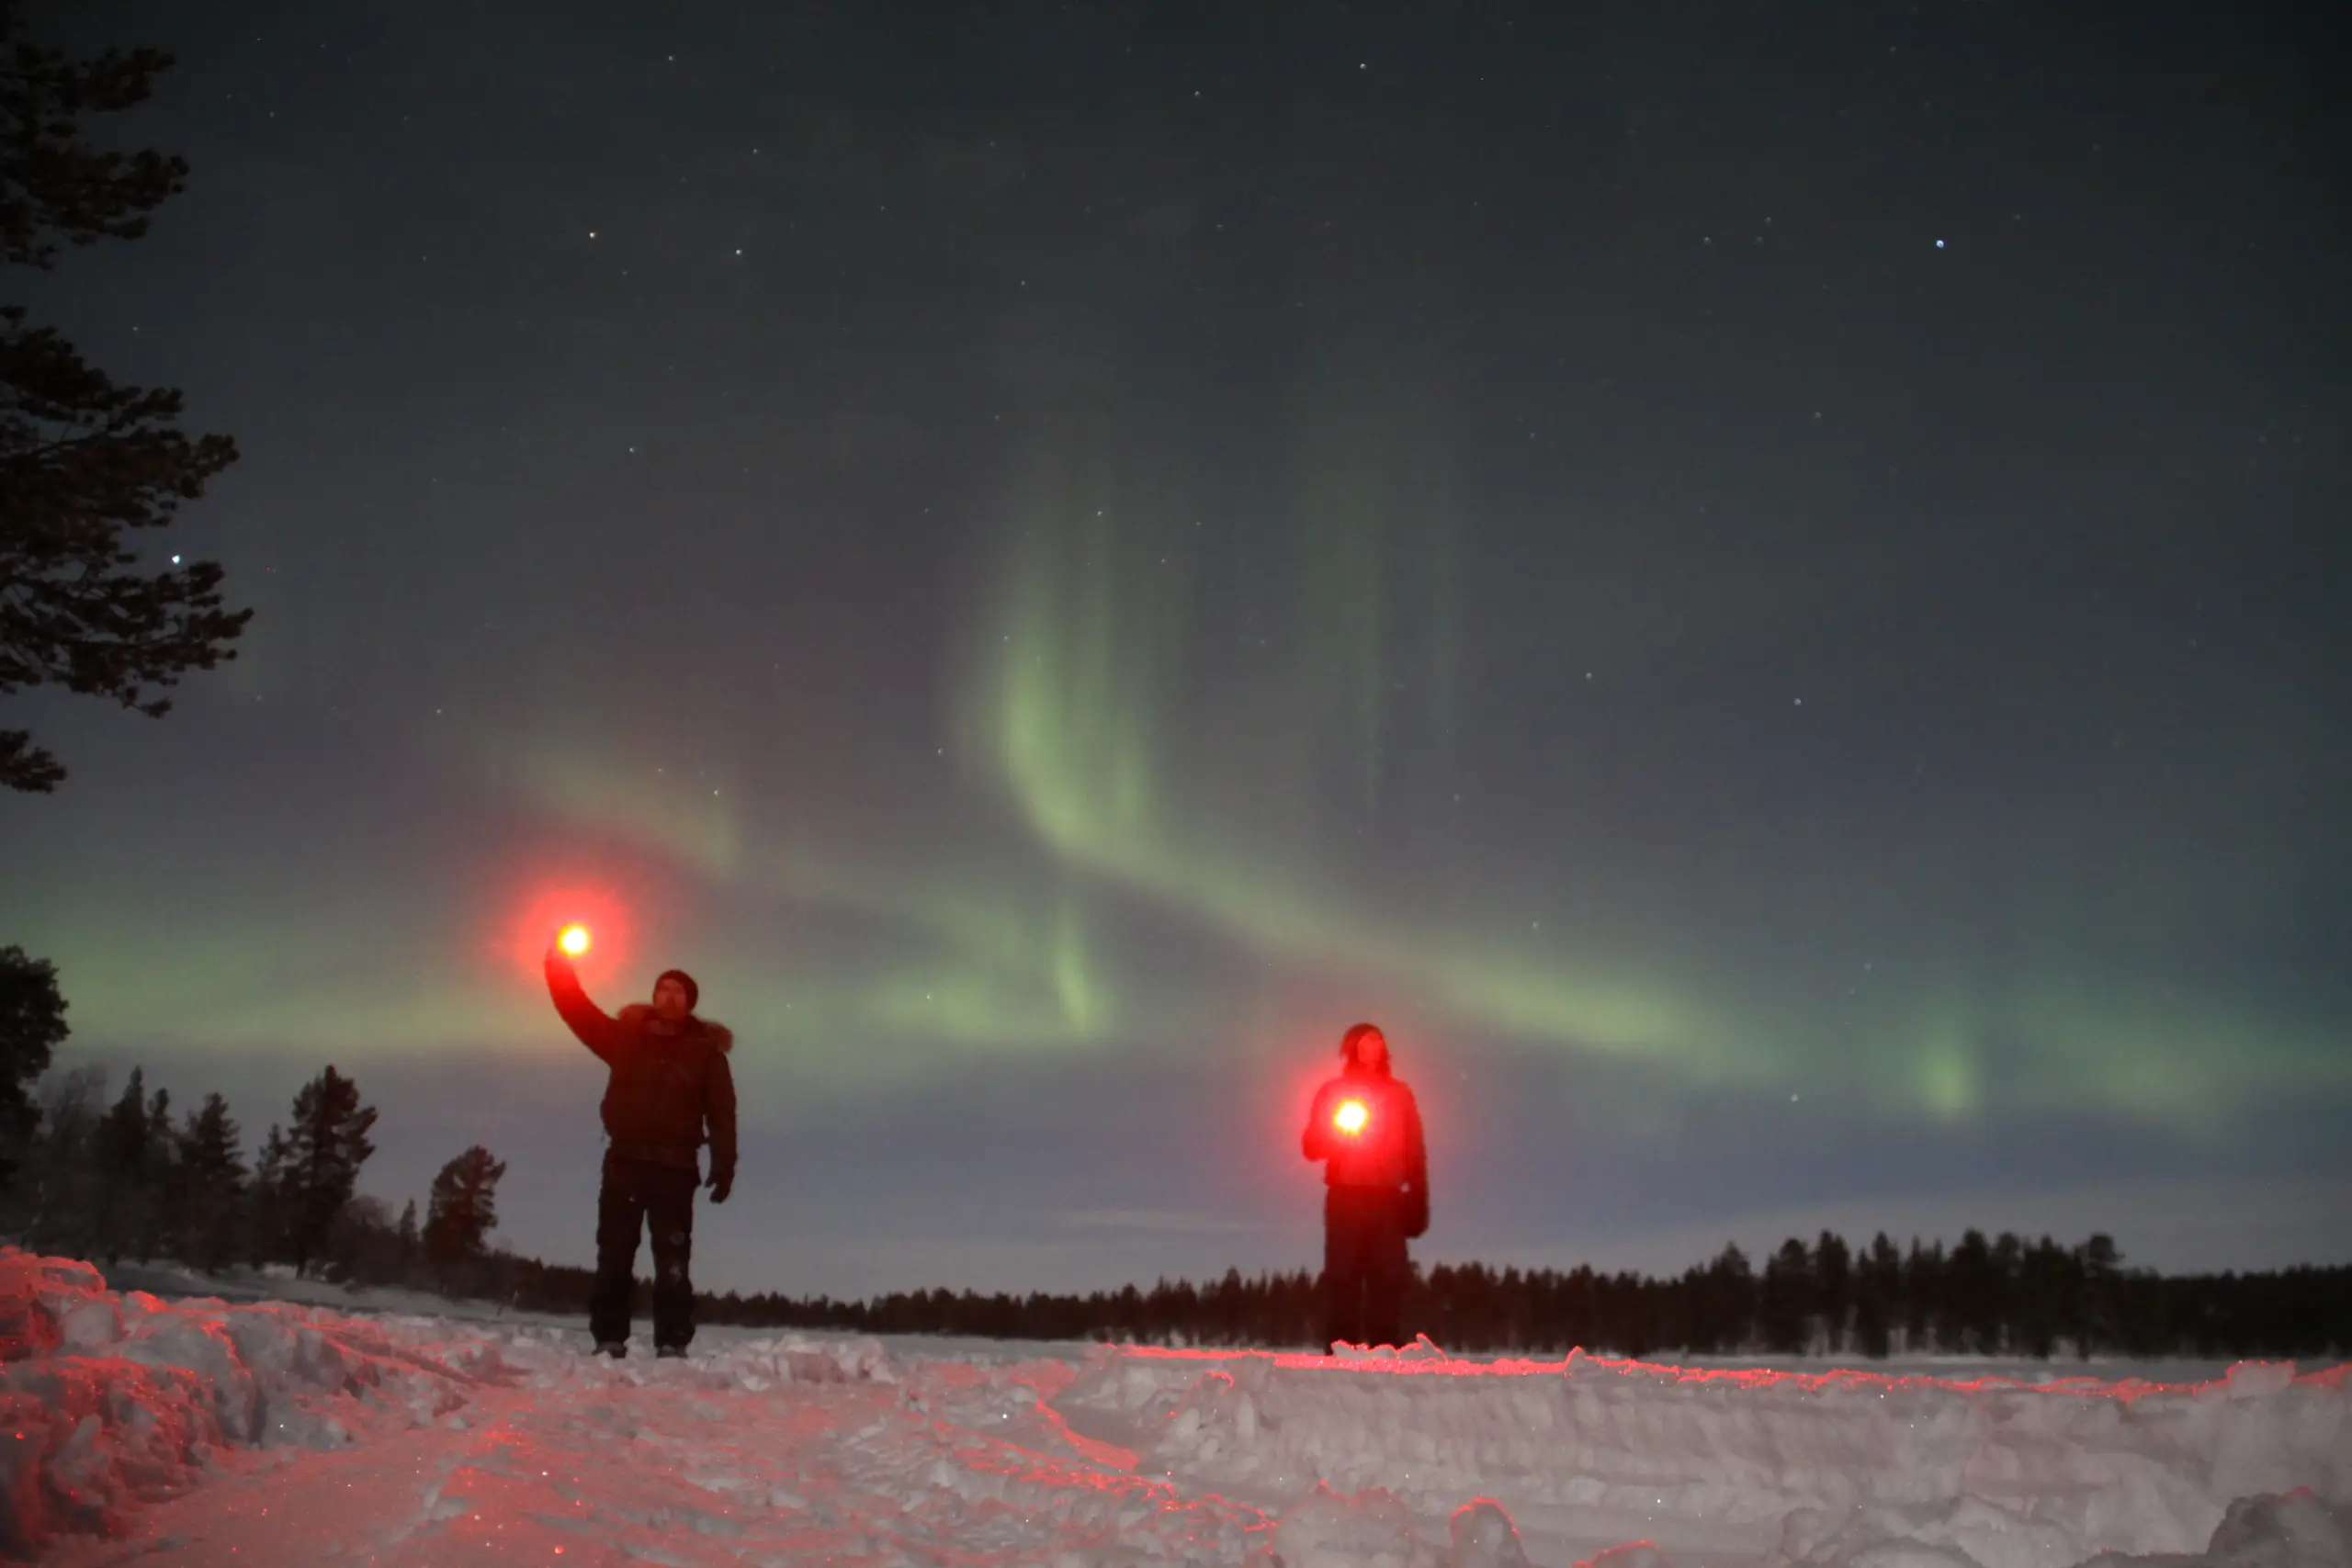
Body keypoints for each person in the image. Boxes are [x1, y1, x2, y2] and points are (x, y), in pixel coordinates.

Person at [546, 939, 737, 1359]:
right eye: (663, 988)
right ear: (653, 996)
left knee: (672, 1261)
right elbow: (576, 1010)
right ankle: (609, 1339)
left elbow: (722, 1112)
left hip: (675, 1169)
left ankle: (672, 1342)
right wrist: (558, 964)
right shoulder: (624, 1039)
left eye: (678, 991)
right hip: (624, 1163)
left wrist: (725, 1164)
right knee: (614, 1254)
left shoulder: (705, 1053)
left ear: (689, 1003)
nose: (669, 996)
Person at [1301, 1021, 1429, 1351]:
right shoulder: (1333, 1092)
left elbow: (1415, 1150)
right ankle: (1341, 1349)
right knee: (1342, 1276)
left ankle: (1386, 1348)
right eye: (1365, 1042)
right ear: (1351, 1049)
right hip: (1345, 1196)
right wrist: (1334, 1132)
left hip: (1388, 1200)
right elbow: (1311, 1147)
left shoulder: (1400, 1095)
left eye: (1378, 1042)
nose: (1372, 1048)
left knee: (1389, 1277)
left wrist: (1418, 1199)